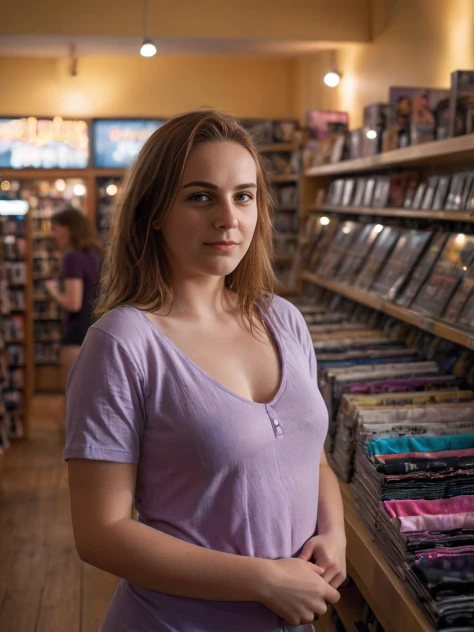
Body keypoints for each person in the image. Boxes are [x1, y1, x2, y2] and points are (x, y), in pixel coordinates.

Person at [64, 110, 346, 632]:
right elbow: (100, 533)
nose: (228, 218)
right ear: (154, 212)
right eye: (200, 196)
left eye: (243, 196)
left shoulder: (282, 320)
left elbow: (314, 458)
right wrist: (262, 580)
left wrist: (334, 534)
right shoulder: (123, 343)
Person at [45, 207, 102, 390]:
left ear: (69, 228)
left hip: (77, 331)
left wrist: (52, 290)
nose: (54, 234)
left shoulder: (72, 256)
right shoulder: (96, 253)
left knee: (70, 394)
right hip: (96, 327)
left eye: (56, 228)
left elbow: (73, 303)